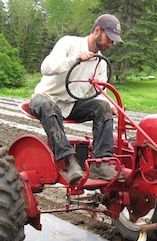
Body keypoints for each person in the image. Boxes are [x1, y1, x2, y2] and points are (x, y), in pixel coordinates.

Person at [29, 14, 124, 184]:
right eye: (109, 39)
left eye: (113, 41)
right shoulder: (69, 43)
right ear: (97, 31)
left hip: (70, 104)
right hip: (45, 97)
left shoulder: (100, 63)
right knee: (48, 106)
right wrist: (75, 59)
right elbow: (46, 67)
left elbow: (100, 90)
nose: (111, 44)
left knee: (102, 107)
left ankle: (100, 163)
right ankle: (70, 162)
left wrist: (111, 105)